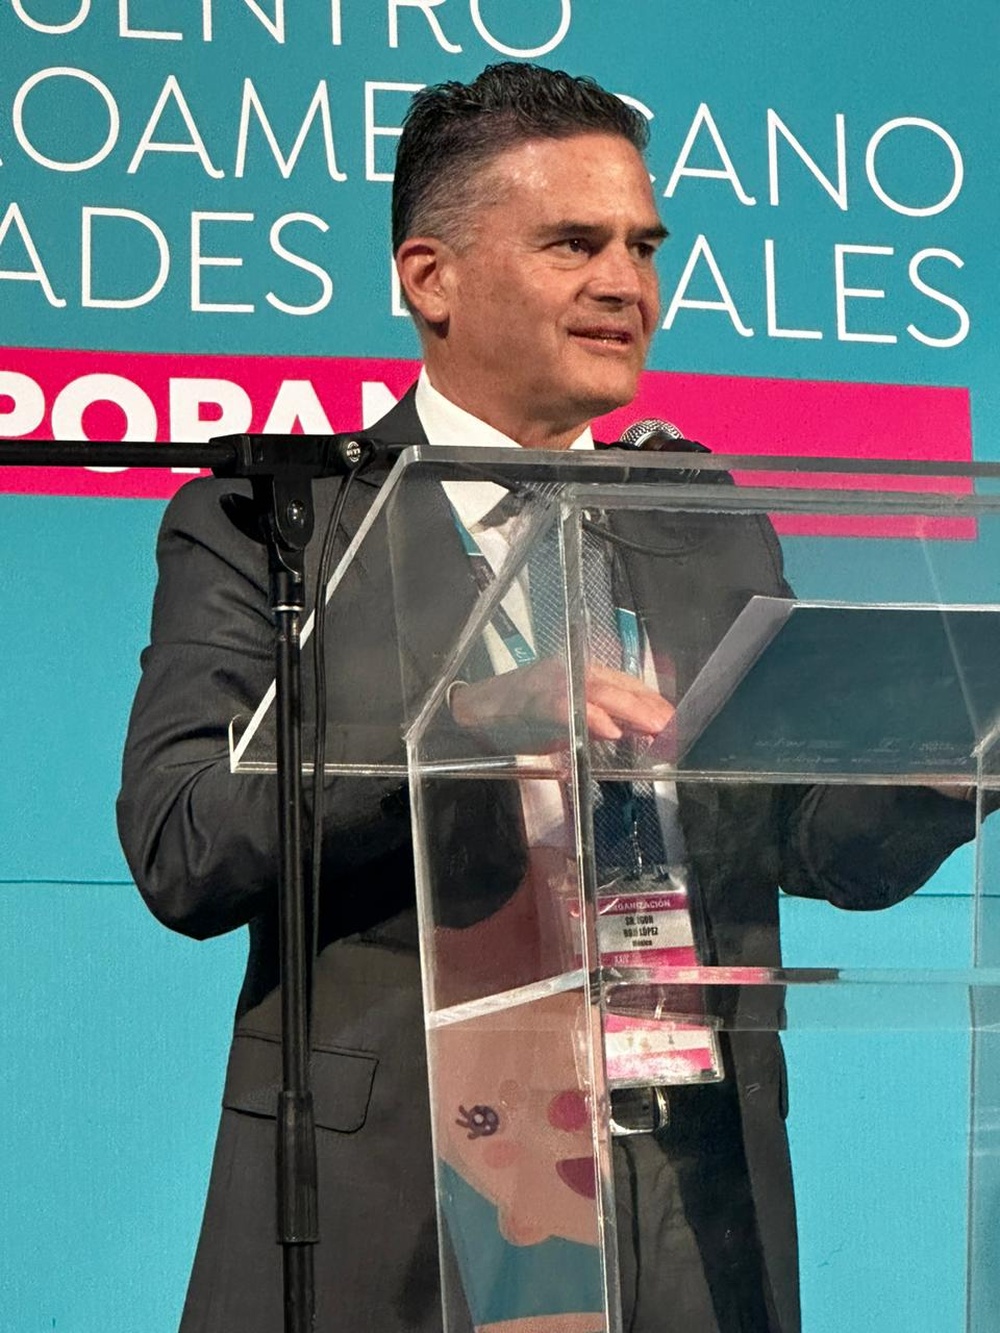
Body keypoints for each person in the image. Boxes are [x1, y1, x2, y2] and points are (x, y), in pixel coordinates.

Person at [117, 63, 981, 1333]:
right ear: (431, 278)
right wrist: (469, 725)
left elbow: (806, 841)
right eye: (574, 243)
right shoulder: (282, 522)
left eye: (643, 245)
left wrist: (944, 763)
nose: (627, 284)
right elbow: (184, 843)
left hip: (684, 1201)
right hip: (399, 1205)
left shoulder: (701, 516)